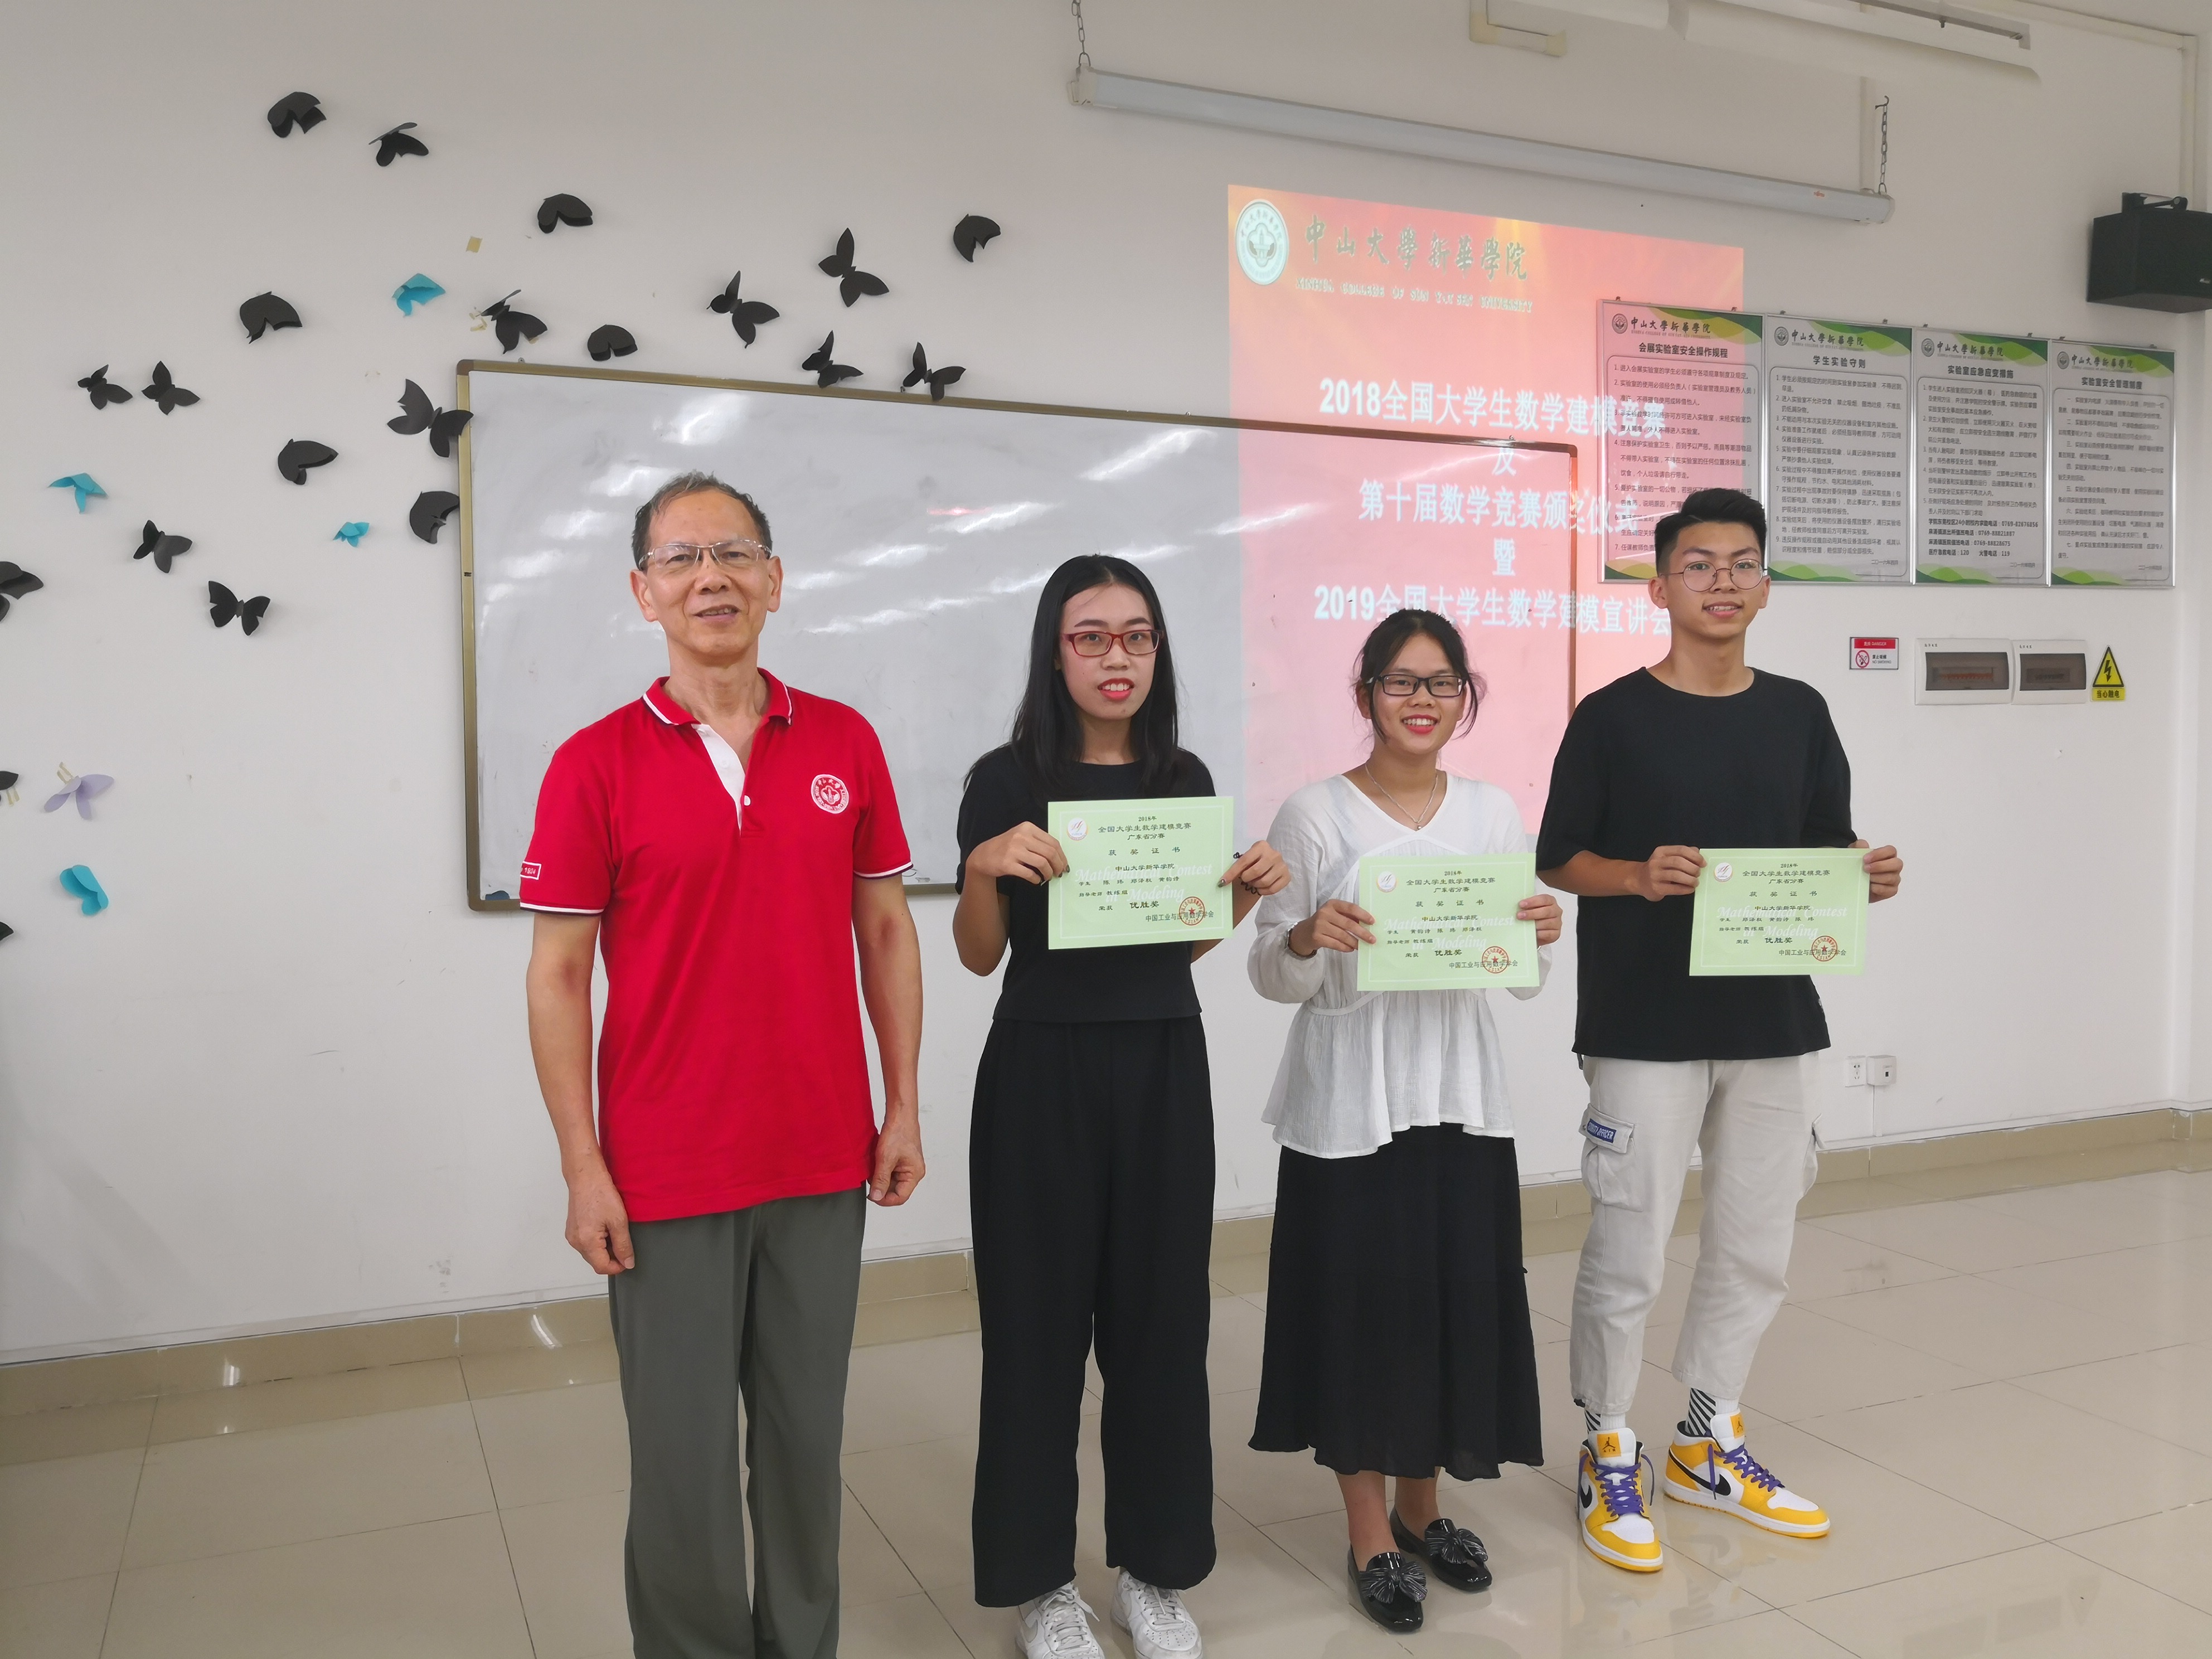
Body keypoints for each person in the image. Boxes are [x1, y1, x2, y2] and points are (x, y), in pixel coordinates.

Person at [521, 471, 925, 1659]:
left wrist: (902, 1105)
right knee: (683, 1460)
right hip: (666, 1168)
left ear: (775, 581)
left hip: (821, 1155)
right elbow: (557, 979)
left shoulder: (843, 739)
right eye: (683, 559)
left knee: (806, 1442)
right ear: (643, 592)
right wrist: (583, 1166)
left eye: (736, 553)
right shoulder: (592, 763)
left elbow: (887, 932)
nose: (713, 578)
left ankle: (801, 1642)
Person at [1535, 487, 1903, 1573]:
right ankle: (1610, 1444)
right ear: (1659, 587)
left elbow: (1822, 848)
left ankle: (1707, 1440)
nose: (1722, 583)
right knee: (1629, 1245)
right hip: (1641, 1023)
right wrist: (1638, 876)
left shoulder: (1800, 713)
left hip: (1773, 1019)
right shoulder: (1610, 716)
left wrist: (1861, 875)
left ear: (1766, 587)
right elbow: (1559, 858)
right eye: (1698, 565)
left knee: (1755, 1243)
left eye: (1743, 564)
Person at [953, 555, 1289, 1659]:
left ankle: (1154, 1572)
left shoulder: (1182, 778)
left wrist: (1236, 898)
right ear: (1055, 653)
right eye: (1091, 636)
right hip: (1039, 1070)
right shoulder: (1005, 779)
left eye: (1137, 636)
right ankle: (1039, 1586)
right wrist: (982, 871)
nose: (1117, 657)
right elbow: (979, 957)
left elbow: (1172, 943)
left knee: (1161, 1327)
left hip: (1160, 1066)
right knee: (1035, 1334)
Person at [1246, 608, 1558, 1633]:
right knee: (1360, 1314)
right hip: (1350, 1107)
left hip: (1459, 1099)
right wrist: (1307, 935)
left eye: (1441, 684)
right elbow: (1269, 971)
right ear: (1365, 695)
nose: (1421, 701)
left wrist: (1540, 928)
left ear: (1465, 698)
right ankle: (1369, 1532)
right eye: (1400, 682)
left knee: (1449, 1303)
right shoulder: (1314, 814)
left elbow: (1519, 975)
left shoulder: (1491, 813)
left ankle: (1425, 1511)